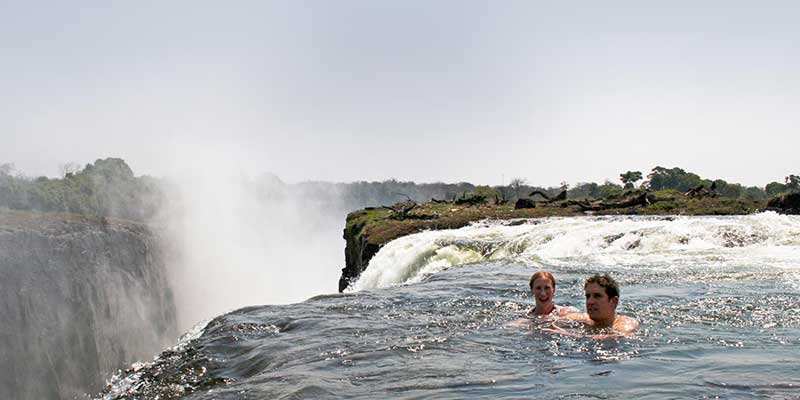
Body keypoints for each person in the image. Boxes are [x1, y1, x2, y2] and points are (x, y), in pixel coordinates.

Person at [556, 273, 639, 338]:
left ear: (614, 301)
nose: (590, 301)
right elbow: (553, 322)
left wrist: (568, 333)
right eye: (588, 296)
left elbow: (619, 335)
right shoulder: (583, 319)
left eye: (597, 296)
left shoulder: (625, 324)